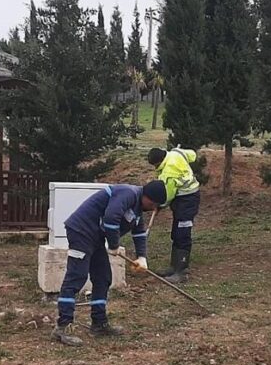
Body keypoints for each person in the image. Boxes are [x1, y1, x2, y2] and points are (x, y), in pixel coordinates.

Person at [51, 180, 167, 346]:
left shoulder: (138, 208)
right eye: (153, 204)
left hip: (95, 238)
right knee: (76, 277)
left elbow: (139, 233)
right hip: (81, 231)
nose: (153, 208)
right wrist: (114, 245)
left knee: (103, 278)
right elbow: (111, 217)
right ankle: (63, 326)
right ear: (148, 197)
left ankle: (99, 323)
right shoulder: (129, 194)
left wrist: (142, 257)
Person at [147, 147, 200, 283]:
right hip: (184, 198)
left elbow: (167, 196)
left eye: (155, 165)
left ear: (159, 161)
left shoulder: (169, 172)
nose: (155, 168)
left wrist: (158, 206)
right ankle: (174, 266)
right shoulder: (176, 153)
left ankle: (181, 271)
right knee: (176, 231)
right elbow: (192, 155)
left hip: (187, 201)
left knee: (182, 233)